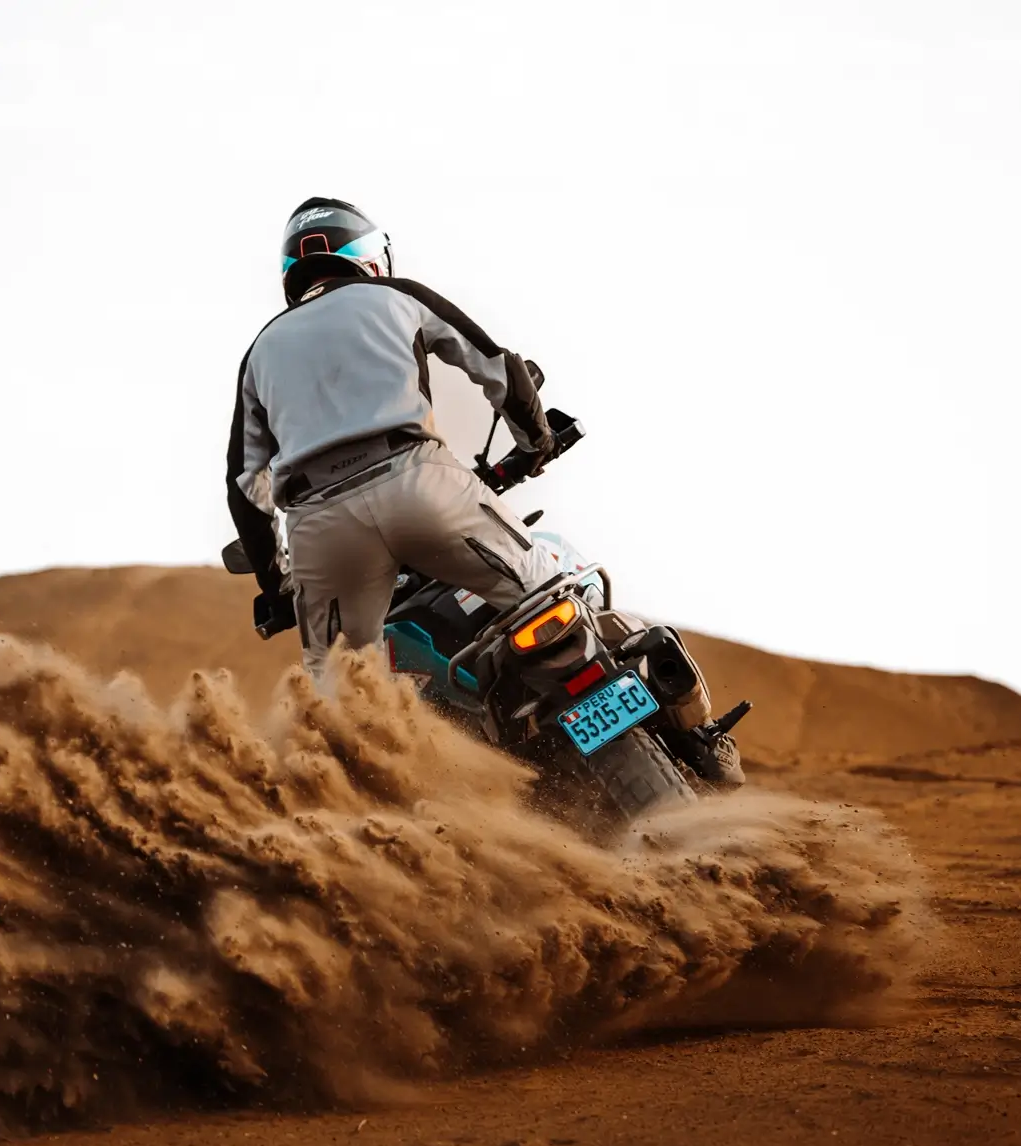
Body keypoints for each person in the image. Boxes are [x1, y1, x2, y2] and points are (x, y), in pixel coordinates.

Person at [225, 197, 743, 786]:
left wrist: (276, 579)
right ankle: (697, 736)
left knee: (341, 701)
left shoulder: (259, 351)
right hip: (418, 483)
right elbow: (497, 367)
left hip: (321, 526)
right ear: (368, 255)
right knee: (551, 598)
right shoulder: (398, 295)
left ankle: (389, 828)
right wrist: (536, 438)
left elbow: (245, 487)